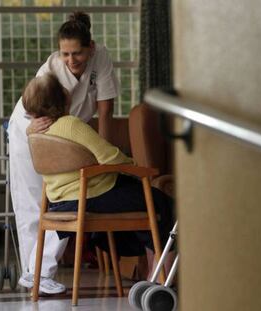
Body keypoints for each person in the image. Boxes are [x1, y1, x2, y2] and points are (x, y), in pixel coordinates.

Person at [8, 11, 119, 294]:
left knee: (66, 197)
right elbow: (32, 107)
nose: (71, 60)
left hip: (67, 130)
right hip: (32, 128)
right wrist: (31, 128)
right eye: (65, 53)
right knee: (34, 202)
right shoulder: (51, 69)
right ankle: (35, 273)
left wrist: (103, 157)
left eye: (77, 53)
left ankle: (36, 273)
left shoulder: (101, 58)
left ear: (90, 48)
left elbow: (105, 111)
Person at [22, 73, 174, 274]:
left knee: (146, 205)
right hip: (92, 195)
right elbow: (108, 156)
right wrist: (134, 165)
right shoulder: (71, 124)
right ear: (60, 98)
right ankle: (161, 281)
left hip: (60, 201)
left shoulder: (36, 132)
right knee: (163, 206)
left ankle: (153, 277)